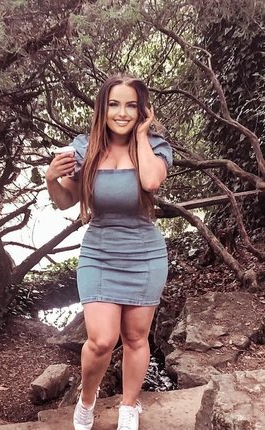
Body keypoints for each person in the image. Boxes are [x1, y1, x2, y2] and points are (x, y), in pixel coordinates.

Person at [45, 74, 173, 430]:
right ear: (102, 108)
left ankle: (129, 407)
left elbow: (150, 182)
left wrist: (143, 134)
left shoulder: (156, 146)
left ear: (142, 110)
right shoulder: (84, 148)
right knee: (101, 341)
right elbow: (65, 201)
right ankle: (87, 400)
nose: (122, 113)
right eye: (114, 104)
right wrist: (51, 179)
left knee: (136, 338)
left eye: (131, 105)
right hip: (99, 253)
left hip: (145, 254)